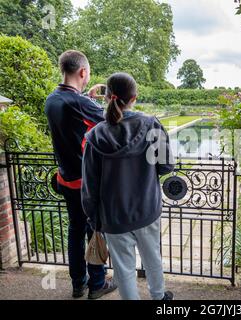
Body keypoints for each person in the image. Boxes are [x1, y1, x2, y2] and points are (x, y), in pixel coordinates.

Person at [81, 72, 175, 300]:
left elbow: (89, 185)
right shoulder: (151, 125)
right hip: (146, 208)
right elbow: (166, 166)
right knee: (152, 256)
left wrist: (94, 218)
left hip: (113, 216)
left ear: (108, 97)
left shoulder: (95, 136)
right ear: (135, 96)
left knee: (123, 268)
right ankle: (158, 296)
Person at [45, 50, 117, 299]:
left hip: (65, 178)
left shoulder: (52, 99)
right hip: (85, 182)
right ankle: (97, 284)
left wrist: (88, 99)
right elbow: (113, 121)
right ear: (83, 72)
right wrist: (103, 100)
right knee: (95, 231)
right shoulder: (80, 103)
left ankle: (79, 283)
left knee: (75, 230)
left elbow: (74, 123)